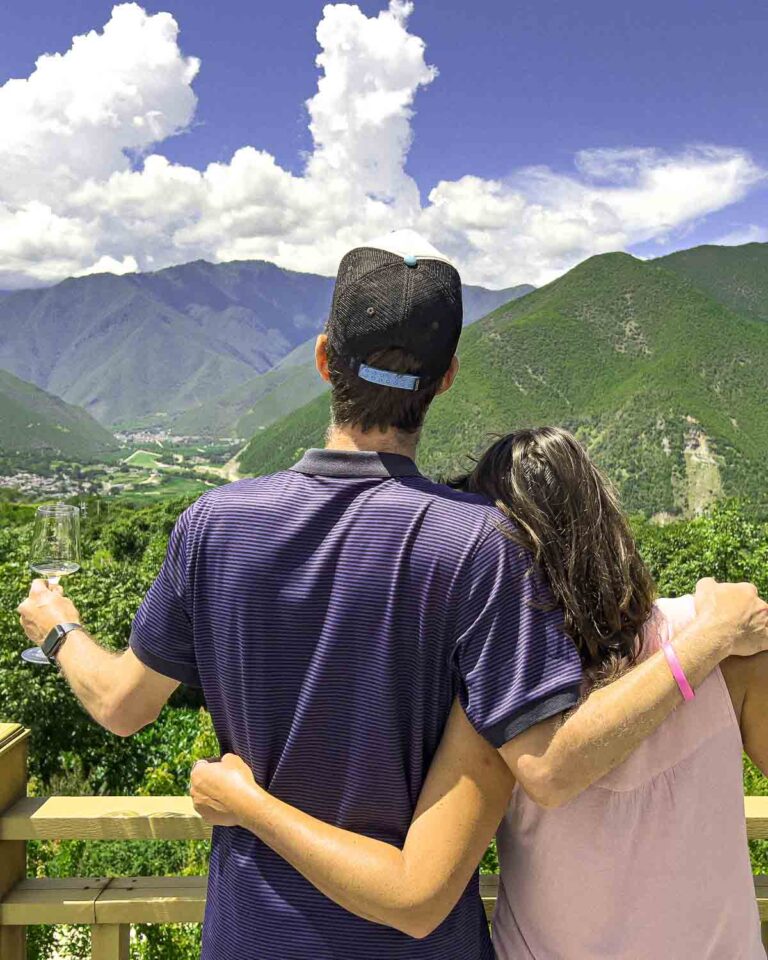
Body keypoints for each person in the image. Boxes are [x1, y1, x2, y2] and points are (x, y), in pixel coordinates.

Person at [17, 232, 768, 960]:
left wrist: (58, 631)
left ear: (322, 360)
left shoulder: (212, 526)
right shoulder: (485, 546)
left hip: (252, 932)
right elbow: (545, 761)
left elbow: (121, 705)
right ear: (446, 379)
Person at [189, 427, 768, 959]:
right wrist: (713, 637)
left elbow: (416, 890)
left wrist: (250, 805)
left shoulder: (494, 701)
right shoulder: (726, 640)